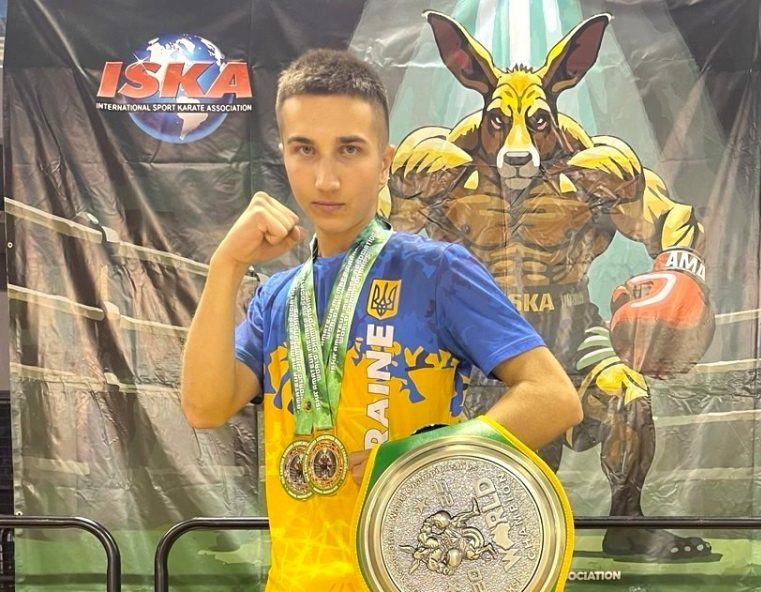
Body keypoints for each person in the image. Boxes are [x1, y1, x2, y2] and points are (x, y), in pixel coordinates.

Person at [180, 49, 582, 591]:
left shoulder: (435, 270)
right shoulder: (279, 297)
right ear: (285, 155)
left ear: (385, 161)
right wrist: (226, 265)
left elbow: (554, 398)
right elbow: (204, 407)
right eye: (305, 150)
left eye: (349, 150)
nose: (326, 179)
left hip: (412, 576)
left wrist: (412, 462)